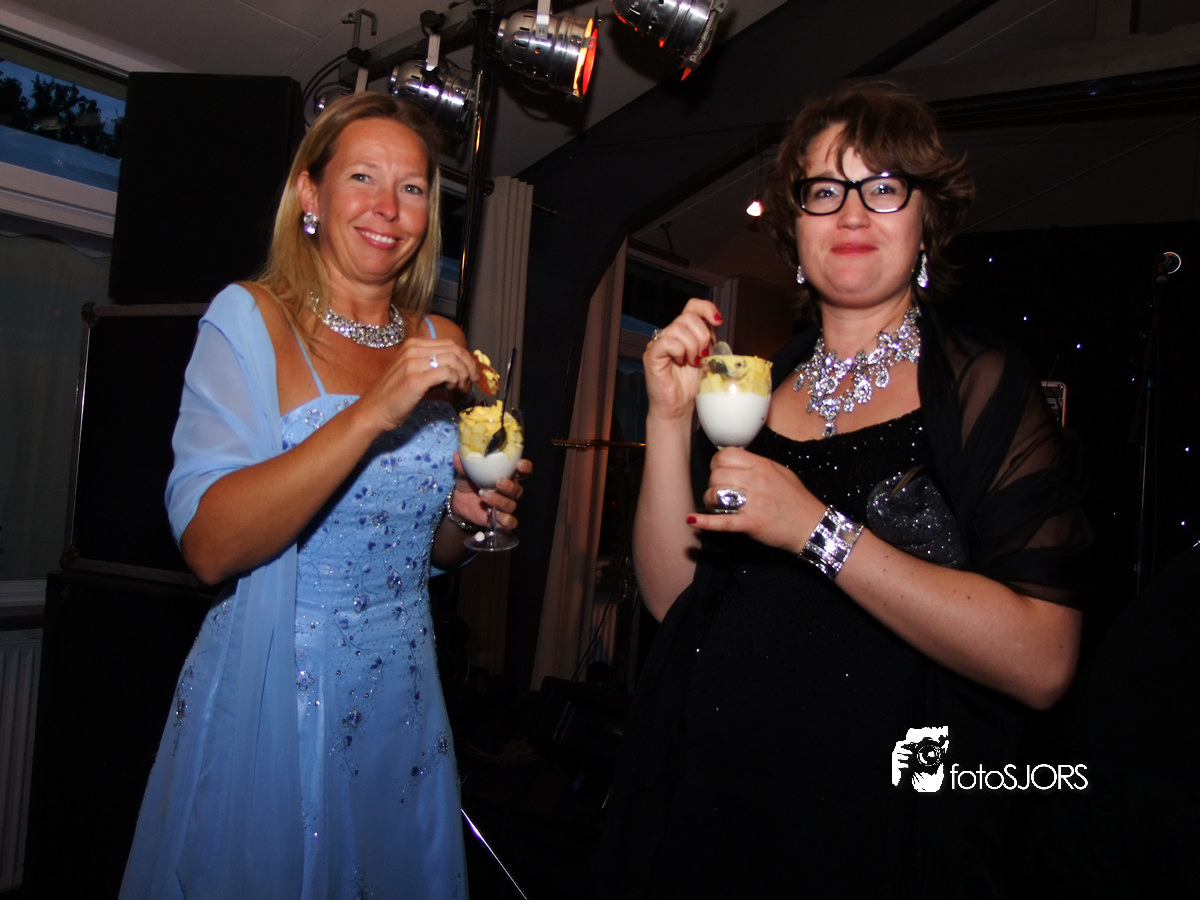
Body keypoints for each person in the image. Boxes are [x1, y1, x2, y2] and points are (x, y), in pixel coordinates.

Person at [596, 83, 1090, 898]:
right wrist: (668, 419)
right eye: (824, 190)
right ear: (796, 229)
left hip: (882, 828)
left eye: (883, 186)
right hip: (715, 808)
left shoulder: (983, 387)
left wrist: (816, 531)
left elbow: (1043, 661)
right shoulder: (755, 387)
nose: (852, 213)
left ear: (926, 220)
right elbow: (673, 603)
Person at [120, 92, 531, 899]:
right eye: (363, 178)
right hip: (278, 688)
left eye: (411, 188)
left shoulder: (441, 340)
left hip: (404, 689)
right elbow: (209, 548)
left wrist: (463, 515)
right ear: (310, 193)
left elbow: (429, 551)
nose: (389, 208)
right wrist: (374, 410)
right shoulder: (249, 319)